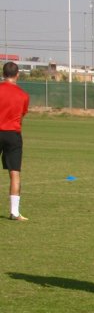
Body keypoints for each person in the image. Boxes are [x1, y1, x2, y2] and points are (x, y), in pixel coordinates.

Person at [0, 61, 29, 221]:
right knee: (14, 173)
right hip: (13, 134)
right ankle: (14, 212)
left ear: (3, 74)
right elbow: (22, 113)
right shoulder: (23, 95)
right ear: (17, 74)